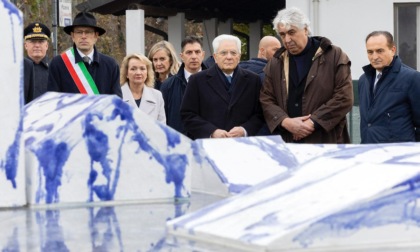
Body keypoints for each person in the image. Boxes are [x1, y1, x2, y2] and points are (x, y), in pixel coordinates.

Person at [260, 7, 353, 143]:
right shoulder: (276, 62)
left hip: (326, 141)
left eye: (291, 32)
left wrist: (312, 123)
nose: (287, 39)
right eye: (282, 34)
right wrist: (285, 122)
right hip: (289, 141)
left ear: (305, 29)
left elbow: (344, 97)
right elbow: (266, 98)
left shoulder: (334, 55)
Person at [180, 34, 264, 139]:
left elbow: (260, 114)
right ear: (215, 57)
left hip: (242, 146)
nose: (229, 57)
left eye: (233, 53)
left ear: (239, 56)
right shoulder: (197, 80)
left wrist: (244, 129)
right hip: (210, 146)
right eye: (223, 53)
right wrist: (212, 132)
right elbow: (188, 114)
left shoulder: (253, 80)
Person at [358, 31, 420, 143]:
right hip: (368, 152)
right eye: (370, 52)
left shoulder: (412, 78)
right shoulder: (363, 80)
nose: (374, 56)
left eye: (380, 51)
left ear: (393, 50)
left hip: (398, 155)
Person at [47, 12, 121, 97]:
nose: (83, 36)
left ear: (96, 36)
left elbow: (117, 101)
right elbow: (53, 100)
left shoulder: (110, 65)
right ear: (72, 36)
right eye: (79, 32)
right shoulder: (59, 63)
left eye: (88, 32)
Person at [160, 35, 207, 134]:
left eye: (197, 52)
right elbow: (163, 120)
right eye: (189, 52)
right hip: (178, 143)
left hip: (207, 143)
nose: (194, 56)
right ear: (181, 56)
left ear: (203, 55)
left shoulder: (215, 82)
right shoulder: (168, 86)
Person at [120, 53, 166, 123]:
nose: (138, 72)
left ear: (147, 73)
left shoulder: (157, 96)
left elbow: (162, 127)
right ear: (126, 73)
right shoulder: (117, 95)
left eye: (142, 69)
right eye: (133, 69)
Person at [24, 22, 51, 102]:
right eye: (32, 41)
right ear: (26, 45)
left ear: (47, 46)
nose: (37, 45)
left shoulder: (55, 68)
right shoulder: (17, 70)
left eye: (41, 41)